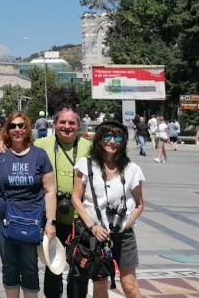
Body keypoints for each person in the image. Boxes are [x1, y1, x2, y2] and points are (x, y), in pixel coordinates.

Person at [0, 113, 57, 298]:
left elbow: (50, 190)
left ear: (27, 129)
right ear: (7, 129)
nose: (17, 129)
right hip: (1, 218)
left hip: (31, 218)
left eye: (21, 126)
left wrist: (51, 221)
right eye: (13, 126)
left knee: (29, 265)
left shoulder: (39, 155)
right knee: (9, 263)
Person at [71, 122, 145, 298]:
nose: (112, 141)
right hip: (96, 234)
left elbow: (140, 203)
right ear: (99, 139)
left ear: (123, 142)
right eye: (107, 136)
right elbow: (76, 198)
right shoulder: (86, 165)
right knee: (99, 283)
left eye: (118, 137)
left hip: (123, 235)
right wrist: (92, 227)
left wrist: (129, 221)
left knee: (129, 285)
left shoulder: (132, 169)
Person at [33, 107, 92, 298]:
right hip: (51, 219)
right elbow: (15, 147)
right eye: (62, 122)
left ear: (79, 126)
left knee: (79, 270)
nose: (67, 126)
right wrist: (2, 144)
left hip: (79, 219)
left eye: (72, 123)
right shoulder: (40, 144)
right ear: (55, 124)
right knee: (53, 269)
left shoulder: (89, 146)